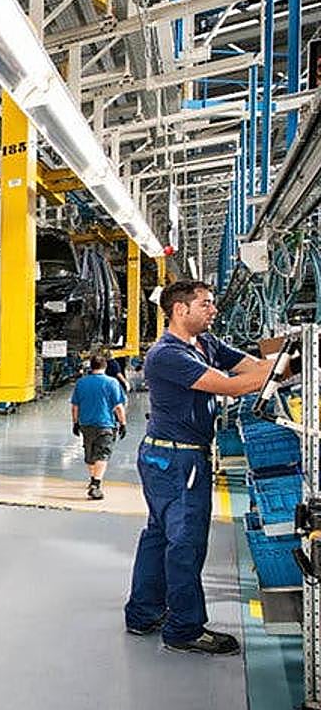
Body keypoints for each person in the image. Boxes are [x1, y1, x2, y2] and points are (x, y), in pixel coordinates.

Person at [123, 280, 273, 656]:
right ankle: (184, 629)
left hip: (167, 457)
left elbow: (252, 367)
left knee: (159, 535)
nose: (213, 310)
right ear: (180, 309)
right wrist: (284, 369)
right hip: (178, 460)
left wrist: (278, 365)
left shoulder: (205, 343)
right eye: (205, 304)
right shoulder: (167, 354)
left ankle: (143, 613)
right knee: (185, 544)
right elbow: (231, 386)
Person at [70, 354, 127, 500]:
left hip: (86, 424)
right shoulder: (112, 382)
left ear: (91, 366)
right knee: (102, 454)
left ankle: (93, 480)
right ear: (105, 366)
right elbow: (118, 406)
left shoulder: (81, 383)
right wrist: (123, 423)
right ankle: (96, 484)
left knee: (90, 454)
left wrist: (75, 423)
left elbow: (75, 406)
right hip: (105, 424)